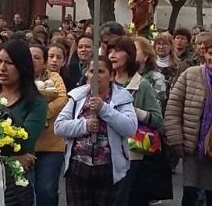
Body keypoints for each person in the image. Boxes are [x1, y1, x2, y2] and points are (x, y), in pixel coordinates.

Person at [54, 57, 138, 206]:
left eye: (100, 71)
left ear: (111, 75)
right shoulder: (77, 96)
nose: (95, 76)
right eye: (92, 71)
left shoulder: (122, 98)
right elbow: (59, 127)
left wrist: (104, 110)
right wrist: (84, 126)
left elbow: (130, 128)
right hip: (77, 168)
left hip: (108, 169)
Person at [165, 35, 212, 206]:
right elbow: (173, 108)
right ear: (204, 54)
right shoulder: (190, 74)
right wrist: (176, 139)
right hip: (193, 147)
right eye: (210, 53)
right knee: (191, 195)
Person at [0, 40, 49, 206]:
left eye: (9, 63)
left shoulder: (36, 103)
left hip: (17, 183)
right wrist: (11, 157)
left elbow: (24, 141)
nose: (2, 68)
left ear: (22, 67)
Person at [109, 36, 163, 206]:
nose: (112, 55)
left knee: (120, 198)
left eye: (118, 51)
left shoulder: (142, 85)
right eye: (109, 50)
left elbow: (157, 119)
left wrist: (135, 112)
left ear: (130, 55)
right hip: (103, 150)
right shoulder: (102, 80)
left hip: (130, 151)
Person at [31, 44, 69, 206]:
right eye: (29, 57)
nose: (32, 61)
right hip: (25, 144)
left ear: (45, 61)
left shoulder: (53, 77)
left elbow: (62, 98)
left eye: (37, 58)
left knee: (46, 190)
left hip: (51, 145)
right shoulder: (17, 76)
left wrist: (43, 113)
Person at [153, 32, 179, 98]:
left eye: (164, 44)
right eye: (159, 44)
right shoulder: (150, 64)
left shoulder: (177, 66)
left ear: (171, 46)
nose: (161, 47)